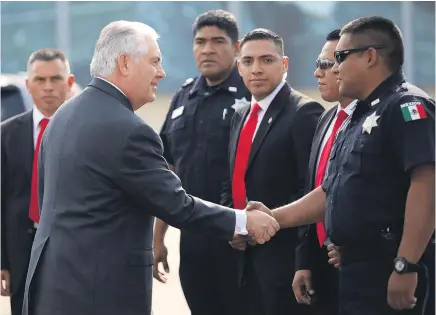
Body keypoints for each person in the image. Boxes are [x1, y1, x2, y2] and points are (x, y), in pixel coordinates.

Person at [21, 21, 279, 315]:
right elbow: (177, 205)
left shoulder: (63, 115)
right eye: (155, 61)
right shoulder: (128, 129)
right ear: (125, 63)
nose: (161, 72)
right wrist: (244, 221)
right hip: (99, 292)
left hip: (53, 285)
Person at [247, 16, 435, 315]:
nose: (334, 68)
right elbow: (330, 190)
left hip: (390, 267)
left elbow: (427, 185)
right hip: (355, 271)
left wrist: (405, 263)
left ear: (370, 56)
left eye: (340, 58)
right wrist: (274, 217)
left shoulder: (406, 107)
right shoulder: (358, 116)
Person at [221, 28, 324, 315]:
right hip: (243, 259)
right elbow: (233, 178)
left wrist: (304, 261)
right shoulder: (240, 114)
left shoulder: (304, 112)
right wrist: (232, 222)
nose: (257, 69)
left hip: (286, 262)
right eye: (248, 61)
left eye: (266, 60)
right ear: (239, 66)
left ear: (285, 64)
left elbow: (312, 191)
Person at [154, 10, 250, 315]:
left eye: (218, 41)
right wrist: (158, 238)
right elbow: (167, 171)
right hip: (194, 239)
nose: (207, 49)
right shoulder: (183, 98)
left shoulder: (252, 94)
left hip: (240, 239)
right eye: (200, 41)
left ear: (236, 48)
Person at [1, 49, 75, 315]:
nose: (47, 87)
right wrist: (2, 261)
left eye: (55, 79)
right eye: (39, 80)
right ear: (28, 84)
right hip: (21, 253)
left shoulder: (86, 132)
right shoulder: (6, 133)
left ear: (69, 83)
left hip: (71, 251)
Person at [293, 29, 356, 315]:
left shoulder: (377, 119)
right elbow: (315, 189)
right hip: (320, 262)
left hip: (358, 260)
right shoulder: (326, 117)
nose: (318, 73)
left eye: (326, 65)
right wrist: (304, 261)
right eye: (318, 64)